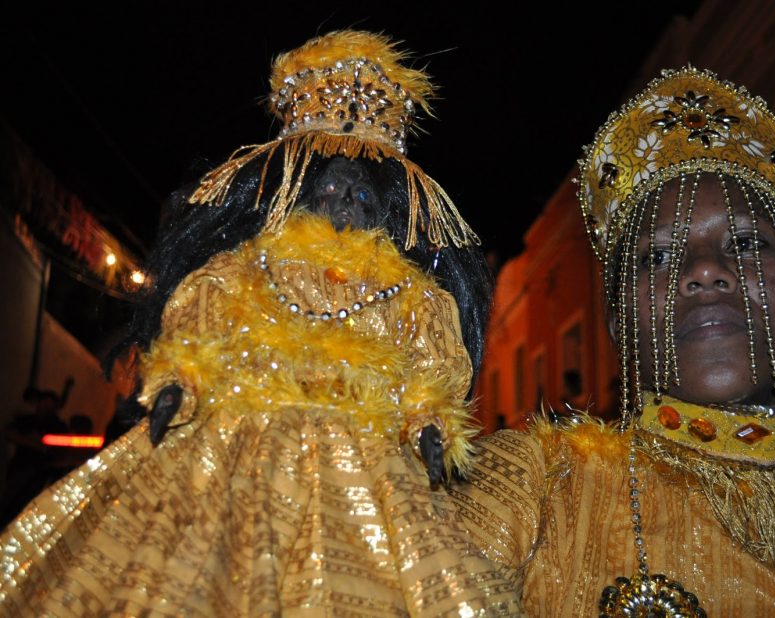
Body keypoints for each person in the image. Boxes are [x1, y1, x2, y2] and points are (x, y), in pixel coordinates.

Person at [0, 31, 520, 616]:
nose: (344, 205)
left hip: (365, 473)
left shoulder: (407, 292)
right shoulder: (251, 265)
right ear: (297, 195)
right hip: (236, 442)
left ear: (383, 214)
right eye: (332, 190)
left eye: (361, 199)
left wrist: (429, 422)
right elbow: (206, 311)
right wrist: (182, 380)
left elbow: (430, 360)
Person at [449, 67, 775, 615]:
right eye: (656, 257)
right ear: (615, 321)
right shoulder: (531, 494)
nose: (703, 270)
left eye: (746, 242)